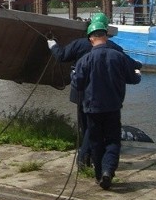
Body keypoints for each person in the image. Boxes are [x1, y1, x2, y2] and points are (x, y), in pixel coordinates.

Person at [47, 13, 128, 167]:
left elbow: (61, 55)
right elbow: (128, 67)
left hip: (82, 92)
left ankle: (85, 158)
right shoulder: (114, 48)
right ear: (106, 30)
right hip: (105, 96)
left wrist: (52, 44)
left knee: (87, 127)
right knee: (100, 130)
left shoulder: (79, 44)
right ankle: (92, 159)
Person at [70, 17, 142, 190]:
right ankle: (107, 171)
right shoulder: (118, 56)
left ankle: (98, 174)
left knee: (95, 142)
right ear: (106, 36)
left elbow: (77, 84)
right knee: (112, 141)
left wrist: (73, 74)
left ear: (91, 38)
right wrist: (138, 74)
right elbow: (133, 78)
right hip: (112, 107)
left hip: (92, 109)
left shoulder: (84, 60)